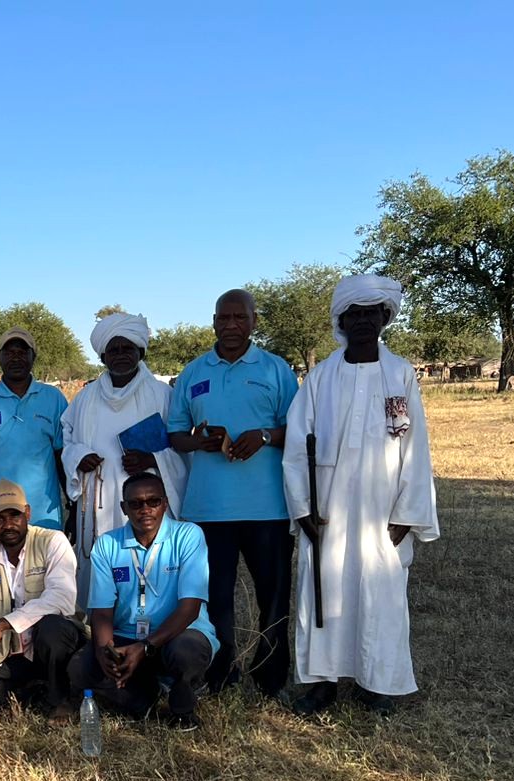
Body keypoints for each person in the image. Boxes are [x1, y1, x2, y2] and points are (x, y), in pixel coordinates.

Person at [282, 274, 440, 716]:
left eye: (374, 313)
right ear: (342, 319)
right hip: (326, 509)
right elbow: (297, 447)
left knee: (381, 593)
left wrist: (408, 512)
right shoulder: (320, 377)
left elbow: (415, 445)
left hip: (382, 509)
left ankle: (379, 684)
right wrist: (302, 509)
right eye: (357, 313)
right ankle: (321, 683)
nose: (365, 320)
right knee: (322, 593)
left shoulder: (400, 373)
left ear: (385, 318)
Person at [167, 289, 299, 698]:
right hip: (208, 510)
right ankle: (221, 673)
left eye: (239, 318)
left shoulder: (276, 370)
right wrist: (199, 442)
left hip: (268, 508)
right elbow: (174, 435)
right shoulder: (192, 374)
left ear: (254, 322)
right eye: (223, 318)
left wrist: (262, 436)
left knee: (272, 598)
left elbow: (297, 429)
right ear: (213, 322)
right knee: (215, 600)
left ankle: (271, 674)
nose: (230, 326)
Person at [70, 471, 218, 731]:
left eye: (153, 501)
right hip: (126, 639)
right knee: (80, 668)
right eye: (136, 504)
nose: (145, 509)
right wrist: (104, 651)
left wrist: (145, 647)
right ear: (123, 508)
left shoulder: (188, 536)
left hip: (177, 635)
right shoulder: (107, 544)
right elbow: (102, 612)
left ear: (165, 503)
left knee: (186, 652)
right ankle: (146, 694)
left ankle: (183, 702)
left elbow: (190, 608)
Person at [61, 313, 189, 610]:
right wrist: (79, 456)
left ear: (140, 351)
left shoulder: (162, 394)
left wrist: (153, 459)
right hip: (99, 500)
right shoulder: (85, 397)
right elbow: (66, 441)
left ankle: (154, 628)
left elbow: (182, 446)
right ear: (103, 355)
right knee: (104, 575)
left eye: (127, 348)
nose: (121, 355)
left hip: (147, 501)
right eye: (114, 350)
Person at [0, 479, 83, 712]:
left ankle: (59, 697)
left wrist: (4, 623)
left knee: (52, 629)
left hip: (52, 648)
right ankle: (29, 689)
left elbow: (62, 598)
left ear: (27, 513)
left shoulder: (53, 542)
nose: (8, 525)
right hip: (10, 654)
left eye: (14, 515)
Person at [0, 328, 69, 550]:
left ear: (33, 357)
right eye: (8, 352)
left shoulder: (53, 398)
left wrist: (73, 507)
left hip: (43, 517)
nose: (15, 357)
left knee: (44, 582)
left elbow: (62, 456)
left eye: (22, 351)